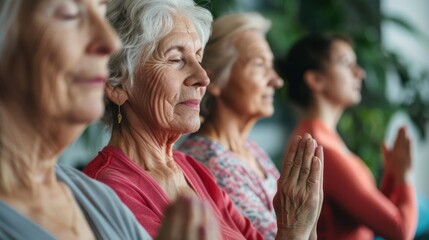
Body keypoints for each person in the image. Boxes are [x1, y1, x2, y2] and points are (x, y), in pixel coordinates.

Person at [83, 0, 324, 239]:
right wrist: (293, 229)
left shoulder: (193, 169)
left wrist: (305, 223)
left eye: (198, 58)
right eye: (176, 59)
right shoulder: (108, 191)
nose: (202, 77)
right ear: (116, 83)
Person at [0, 0, 221, 239]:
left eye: (99, 12)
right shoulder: (108, 188)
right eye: (69, 14)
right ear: (116, 84)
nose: (109, 42)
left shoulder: (92, 196)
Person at [279, 33, 417, 239]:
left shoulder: (326, 137)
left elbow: (366, 215)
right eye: (346, 63)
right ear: (316, 79)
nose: (359, 73)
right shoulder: (318, 147)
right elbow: (400, 230)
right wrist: (405, 177)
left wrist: (393, 174)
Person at [177, 12, 283, 240]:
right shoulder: (207, 162)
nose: (276, 80)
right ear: (214, 81)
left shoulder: (252, 150)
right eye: (259, 64)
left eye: (271, 66)